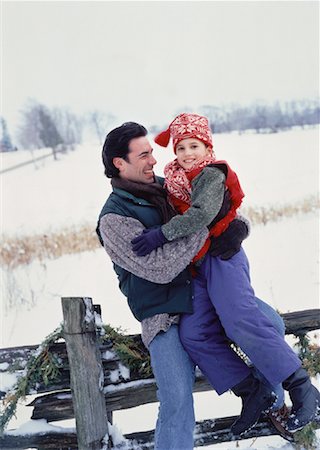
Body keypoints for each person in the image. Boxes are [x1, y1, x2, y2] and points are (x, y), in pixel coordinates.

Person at [96, 121, 292, 449]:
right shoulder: (113, 219)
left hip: (207, 291)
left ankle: (272, 403)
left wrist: (238, 227)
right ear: (120, 163)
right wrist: (205, 226)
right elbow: (158, 267)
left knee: (271, 323)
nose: (154, 161)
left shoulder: (168, 185)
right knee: (176, 400)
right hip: (165, 313)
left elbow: (221, 204)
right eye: (144, 155)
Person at [131, 113, 320, 435]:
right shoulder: (175, 179)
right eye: (181, 148)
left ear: (208, 147)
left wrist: (161, 235)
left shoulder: (211, 174)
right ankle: (251, 392)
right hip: (199, 265)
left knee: (239, 317)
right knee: (194, 334)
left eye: (195, 146)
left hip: (223, 257)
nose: (188, 153)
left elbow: (204, 213)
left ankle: (303, 389)